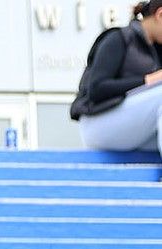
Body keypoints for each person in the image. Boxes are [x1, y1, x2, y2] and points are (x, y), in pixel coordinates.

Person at [72, 2, 162, 151]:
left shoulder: (157, 50)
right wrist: (147, 80)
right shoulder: (119, 38)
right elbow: (96, 89)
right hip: (97, 125)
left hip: (132, 133)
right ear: (159, 15)